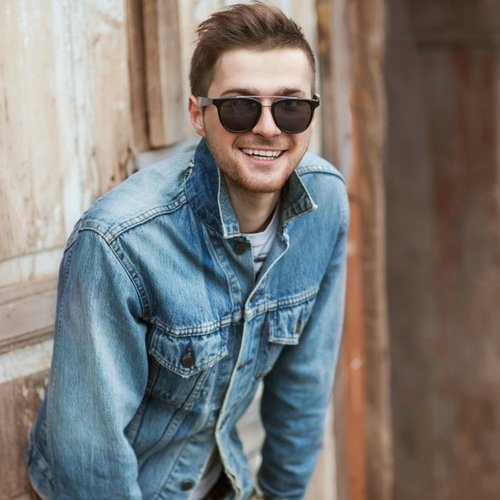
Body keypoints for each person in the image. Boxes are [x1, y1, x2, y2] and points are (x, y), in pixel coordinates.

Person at [26, 2, 349, 499]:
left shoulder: (324, 202)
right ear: (199, 114)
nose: (268, 128)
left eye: (291, 106)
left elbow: (303, 386)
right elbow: (89, 456)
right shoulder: (120, 241)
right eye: (240, 106)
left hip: (222, 477)